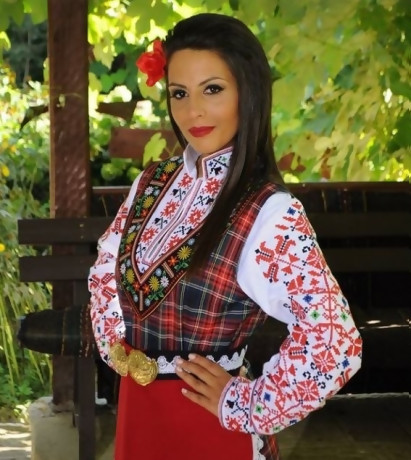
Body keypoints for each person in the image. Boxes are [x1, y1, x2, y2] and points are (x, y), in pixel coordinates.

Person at [88, 12, 362, 460]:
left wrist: (247, 404)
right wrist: (117, 345)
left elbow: (335, 342)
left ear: (247, 93)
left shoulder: (269, 211)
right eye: (179, 93)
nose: (192, 111)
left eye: (212, 89)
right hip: (138, 415)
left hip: (210, 430)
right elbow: (105, 266)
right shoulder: (152, 182)